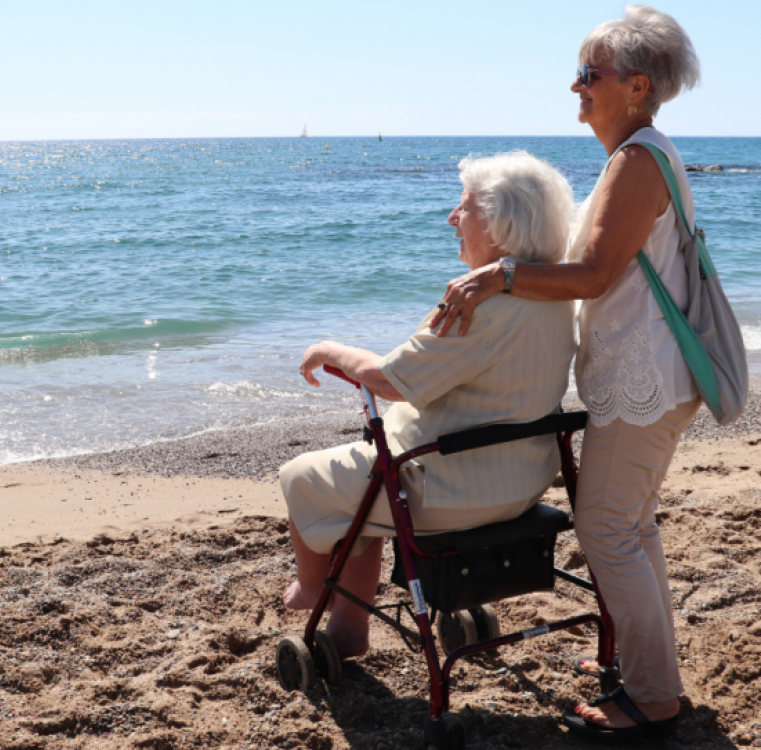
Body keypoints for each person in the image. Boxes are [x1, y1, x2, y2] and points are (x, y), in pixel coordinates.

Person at [431, 5, 702, 742]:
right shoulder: (642, 154)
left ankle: (652, 697)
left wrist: (500, 277)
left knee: (607, 530)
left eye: (591, 74)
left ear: (637, 86)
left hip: (642, 378)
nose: (575, 86)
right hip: (650, 375)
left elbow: (592, 273)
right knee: (630, 527)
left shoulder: (638, 160)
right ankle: (654, 674)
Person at [281, 151, 576, 660]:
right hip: (522, 484)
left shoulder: (477, 307)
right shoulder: (555, 298)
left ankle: (314, 590)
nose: (452, 218)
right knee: (363, 483)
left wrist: (331, 350)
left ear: (502, 226)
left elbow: (389, 381)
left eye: (465, 208)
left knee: (302, 476)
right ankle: (350, 628)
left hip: (449, 491)